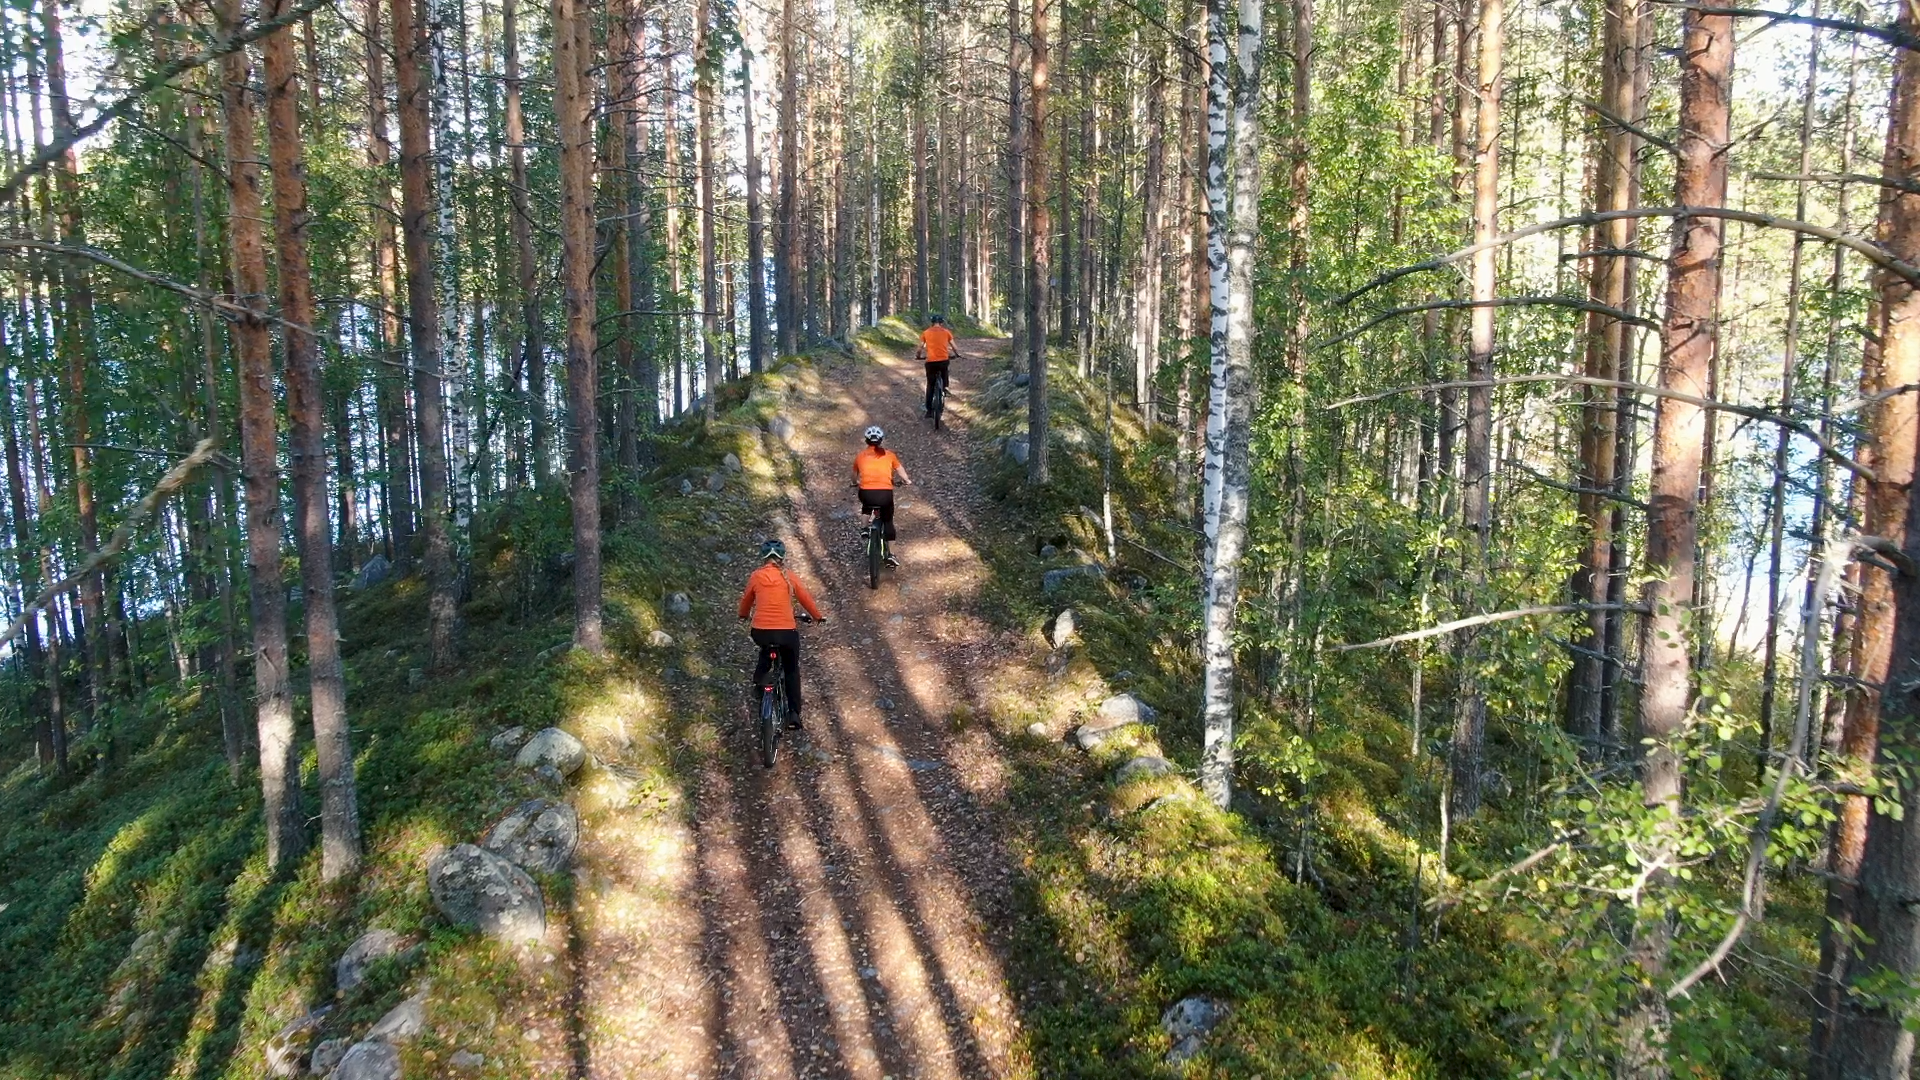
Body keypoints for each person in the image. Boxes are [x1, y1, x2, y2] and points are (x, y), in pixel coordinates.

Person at [737, 539, 825, 730]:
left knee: (766, 649)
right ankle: (793, 714)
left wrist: (743, 615)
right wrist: (817, 616)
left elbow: (746, 600)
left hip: (760, 631)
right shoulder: (790, 577)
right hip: (786, 633)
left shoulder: (756, 576)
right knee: (791, 669)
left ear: (763, 558)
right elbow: (805, 598)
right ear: (782, 558)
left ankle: (759, 678)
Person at [853, 425, 912, 566]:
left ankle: (864, 528)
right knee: (887, 520)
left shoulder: (860, 456)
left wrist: (856, 482)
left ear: (866, 441)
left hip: (866, 493)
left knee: (866, 506)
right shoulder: (890, 455)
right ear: (881, 441)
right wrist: (907, 480)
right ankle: (891, 554)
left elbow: (854, 475)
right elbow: (900, 470)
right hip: (885, 495)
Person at [915, 313, 960, 418]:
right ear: (941, 323)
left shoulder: (925, 332)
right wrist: (957, 354)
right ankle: (944, 388)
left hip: (931, 362)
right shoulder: (946, 332)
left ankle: (929, 410)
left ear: (932, 323)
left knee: (930, 385)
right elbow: (954, 346)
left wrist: (918, 356)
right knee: (945, 371)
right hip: (943, 360)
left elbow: (920, 348)